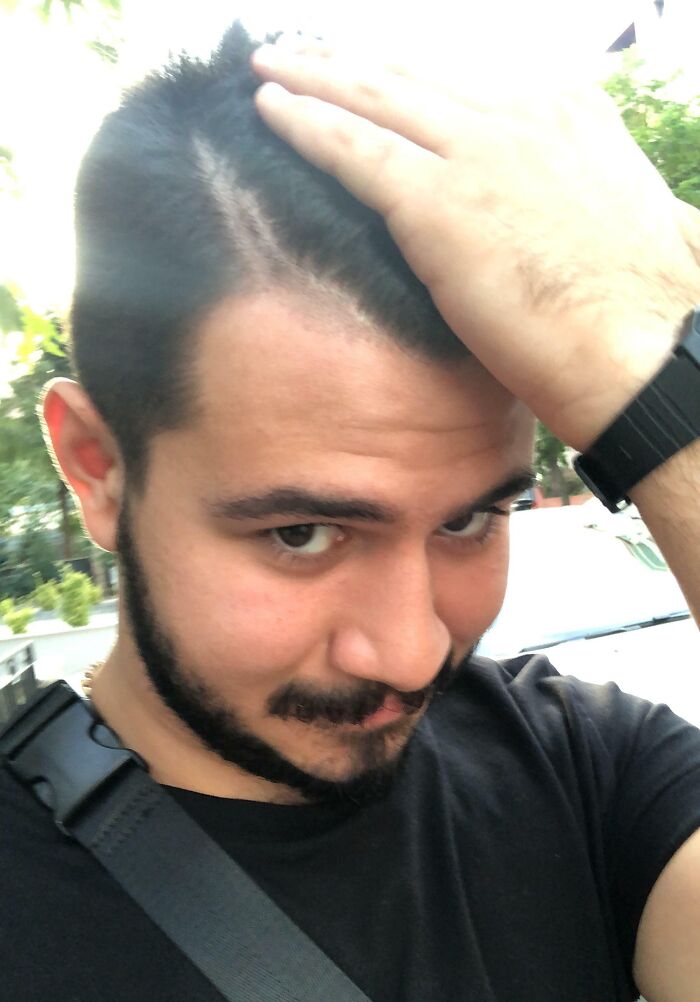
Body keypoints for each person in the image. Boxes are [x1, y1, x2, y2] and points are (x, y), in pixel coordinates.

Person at [2, 20, 700, 1002]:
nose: (413, 655)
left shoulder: (591, 771)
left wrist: (661, 377)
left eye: (469, 521)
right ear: (97, 466)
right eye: (302, 534)